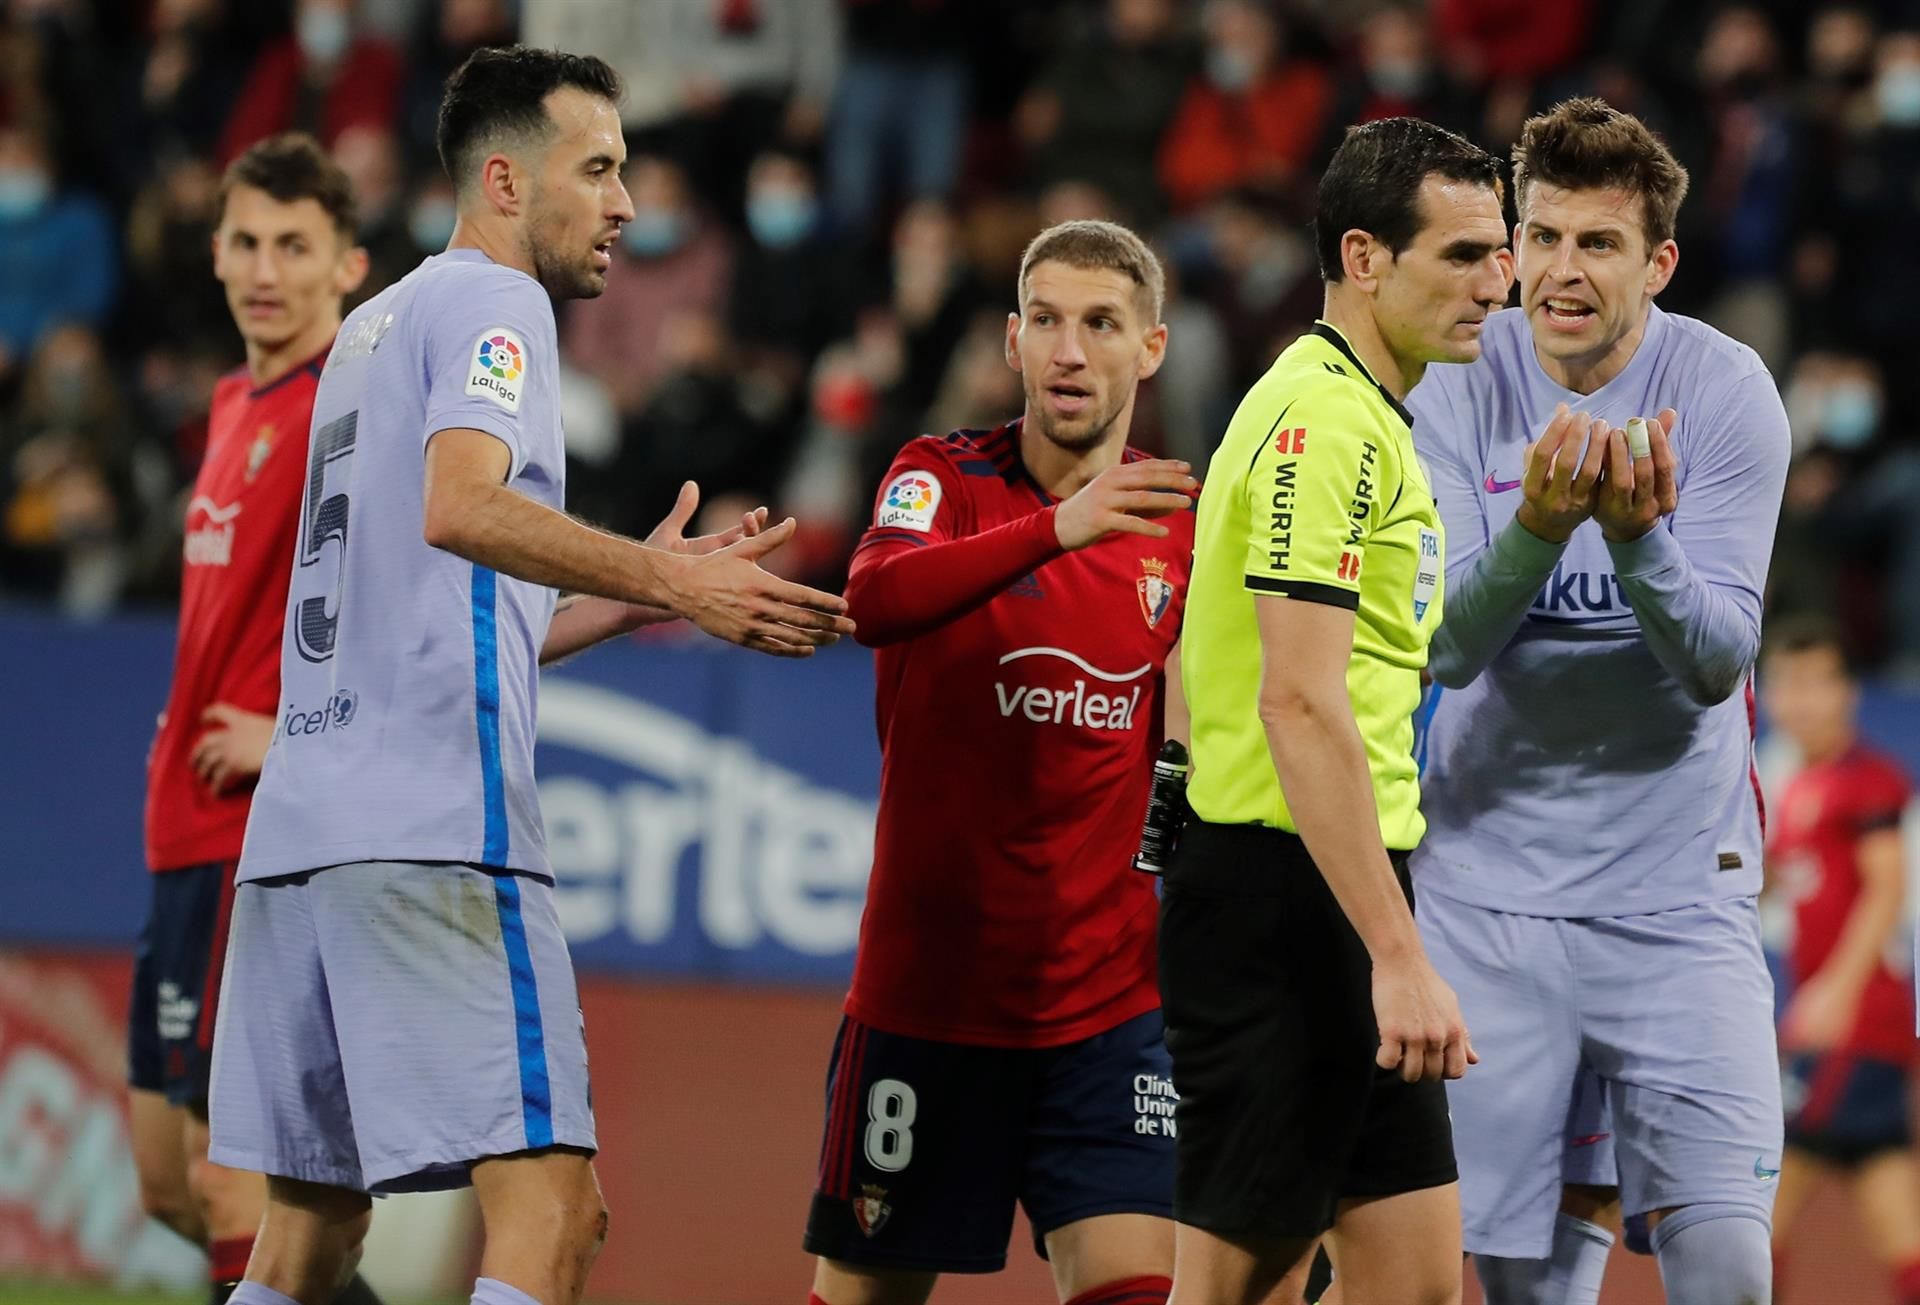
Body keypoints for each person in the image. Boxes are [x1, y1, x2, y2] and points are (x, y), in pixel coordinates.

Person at [206, 47, 854, 1305]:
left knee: (304, 1242)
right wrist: (674, 587)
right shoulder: (499, 308)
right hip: (434, 823)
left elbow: (432, 598)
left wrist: (628, 591)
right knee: (553, 1219)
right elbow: (463, 509)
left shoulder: (369, 328)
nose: (624, 201)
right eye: (599, 169)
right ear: (505, 179)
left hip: (299, 837)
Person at [1407, 97, 1792, 1305]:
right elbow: (1448, 646)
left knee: (1729, 1268)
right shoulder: (1455, 380)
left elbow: (1720, 661)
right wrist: (1537, 525)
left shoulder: (1727, 394)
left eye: (1600, 244)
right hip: (1490, 898)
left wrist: (1641, 547)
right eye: (1546, 237)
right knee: (1526, 1288)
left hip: (1678, 904)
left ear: (1659, 263)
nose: (1561, 272)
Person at [803, 218, 1211, 1305]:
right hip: (927, 1000)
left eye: (1100, 324)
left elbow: (1187, 736)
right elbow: (875, 599)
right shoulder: (938, 475)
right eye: (1046, 321)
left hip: (1110, 1009)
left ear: (1152, 348)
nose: (1070, 350)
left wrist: (1162, 856)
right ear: (1012, 343)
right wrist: (1059, 527)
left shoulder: (1185, 526)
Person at [1162, 116, 1511, 1305]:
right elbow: (1299, 701)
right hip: (1284, 897)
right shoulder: (1324, 425)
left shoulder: (1363, 413)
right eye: (1463, 255)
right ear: (1365, 259)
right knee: (1230, 1290)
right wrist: (1398, 956)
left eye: (1498, 253)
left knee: (1414, 1287)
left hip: (1341, 877)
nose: (1497, 285)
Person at [127, 133, 382, 1305]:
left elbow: (415, 599)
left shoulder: (353, 414)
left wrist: (296, 733)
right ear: (216, 251)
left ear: (349, 268)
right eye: (245, 241)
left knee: (241, 1188)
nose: (263, 269)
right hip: (181, 817)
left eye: (295, 245)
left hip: (260, 833)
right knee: (170, 1184)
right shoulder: (238, 399)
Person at [1762, 617, 1920, 1305]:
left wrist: (1833, 994)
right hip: (1863, 1035)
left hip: (1853, 1026)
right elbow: (1782, 880)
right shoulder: (1795, 785)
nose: (1802, 699)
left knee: (1760, 1192)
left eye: (1817, 682)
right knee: (1895, 1211)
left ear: (1849, 692)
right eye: (1787, 683)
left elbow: (1886, 886)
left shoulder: (1868, 780)